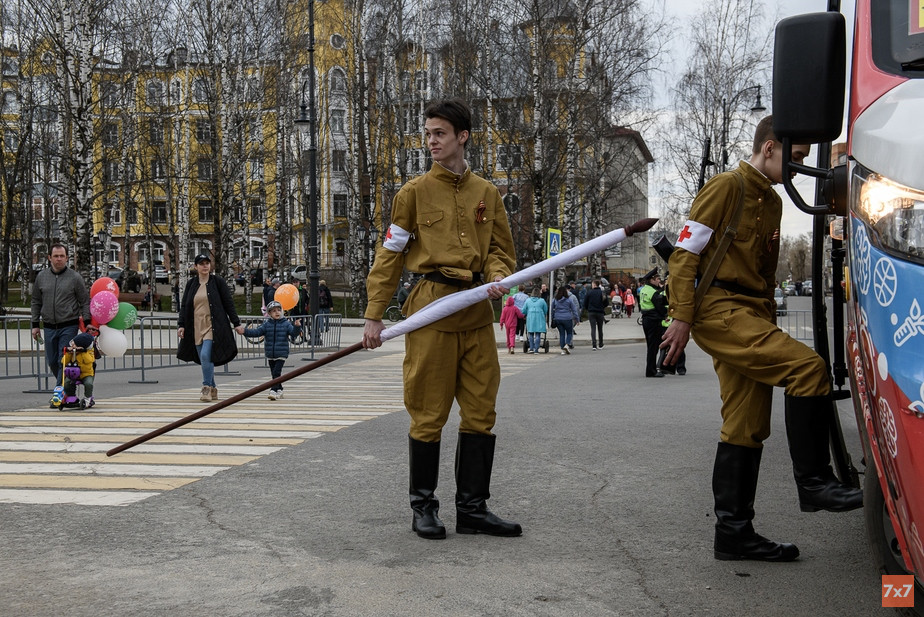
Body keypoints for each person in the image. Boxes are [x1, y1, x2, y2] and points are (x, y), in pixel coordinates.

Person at [660, 116, 862, 563]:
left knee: (746, 424)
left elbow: (765, 274)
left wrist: (768, 319)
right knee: (808, 368)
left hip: (750, 312)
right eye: (794, 158)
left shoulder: (771, 201)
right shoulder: (725, 186)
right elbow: (685, 253)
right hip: (718, 307)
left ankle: (734, 535)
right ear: (769, 148)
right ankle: (815, 482)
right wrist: (681, 316)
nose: (798, 167)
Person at [361, 98, 520, 540]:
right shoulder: (412, 193)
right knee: (428, 413)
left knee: (481, 411)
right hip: (431, 311)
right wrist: (374, 315)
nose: (431, 141)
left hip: (476, 310)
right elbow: (390, 255)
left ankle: (472, 509)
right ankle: (424, 508)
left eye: (440, 134)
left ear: (462, 137)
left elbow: (500, 250)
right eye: (428, 134)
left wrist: (499, 276)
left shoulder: (487, 193)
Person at [177, 254, 245, 403]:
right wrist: (181, 324)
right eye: (201, 264)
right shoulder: (191, 284)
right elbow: (185, 305)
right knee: (204, 359)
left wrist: (236, 323)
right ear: (196, 267)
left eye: (207, 263)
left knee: (205, 355)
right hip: (196, 326)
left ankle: (206, 387)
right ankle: (213, 388)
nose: (205, 266)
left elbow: (228, 303)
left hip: (213, 325)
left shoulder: (217, 282)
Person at [30, 243, 91, 407]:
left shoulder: (75, 278)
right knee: (52, 361)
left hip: (68, 325)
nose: (59, 259)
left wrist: (87, 323)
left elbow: (84, 301)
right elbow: (36, 301)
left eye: (62, 256)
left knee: (62, 360)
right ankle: (69, 391)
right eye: (55, 256)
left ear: (67, 258)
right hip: (49, 326)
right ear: (49, 258)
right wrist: (35, 324)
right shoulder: (42, 277)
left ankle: (59, 396)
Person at [242, 300, 300, 400]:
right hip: (270, 353)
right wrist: (244, 331)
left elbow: (293, 333)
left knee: (276, 372)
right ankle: (280, 389)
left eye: (278, 310)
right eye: (274, 311)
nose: (277, 312)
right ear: (269, 313)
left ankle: (273, 390)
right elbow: (257, 332)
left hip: (281, 353)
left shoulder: (286, 324)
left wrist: (297, 327)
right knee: (274, 373)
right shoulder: (267, 324)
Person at [639, 269, 667, 377]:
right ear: (652, 280)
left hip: (646, 320)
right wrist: (667, 313)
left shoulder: (644, 289)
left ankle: (652, 369)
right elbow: (660, 308)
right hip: (654, 321)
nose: (659, 281)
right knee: (653, 347)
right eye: (657, 279)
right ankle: (651, 371)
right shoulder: (653, 292)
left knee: (650, 346)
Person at [59, 332, 97, 409]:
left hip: (86, 374)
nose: (73, 346)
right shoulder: (72, 352)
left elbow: (89, 360)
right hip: (73, 373)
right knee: (67, 383)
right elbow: (63, 362)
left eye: (75, 345)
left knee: (88, 383)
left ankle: (88, 398)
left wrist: (83, 352)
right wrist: (69, 353)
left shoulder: (90, 351)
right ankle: (71, 396)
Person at [551, 285, 580, 355]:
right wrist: (577, 319)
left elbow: (552, 309)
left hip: (558, 318)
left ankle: (562, 350)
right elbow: (574, 310)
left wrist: (553, 317)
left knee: (562, 334)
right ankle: (567, 344)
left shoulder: (555, 300)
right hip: (567, 318)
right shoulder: (569, 300)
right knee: (569, 332)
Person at [582, 279, 608, 350]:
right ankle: (601, 344)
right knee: (600, 328)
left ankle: (594, 345)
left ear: (594, 284)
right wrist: (602, 307)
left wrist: (588, 308)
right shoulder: (602, 293)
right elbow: (606, 303)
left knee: (593, 328)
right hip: (600, 312)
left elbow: (585, 303)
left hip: (591, 312)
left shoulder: (589, 292)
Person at [522, 288, 548, 354]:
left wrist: (526, 313)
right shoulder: (542, 301)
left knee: (530, 333)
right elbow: (545, 310)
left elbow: (524, 310)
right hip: (539, 318)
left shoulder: (528, 300)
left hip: (530, 317)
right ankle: (536, 349)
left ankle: (531, 348)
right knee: (538, 333)